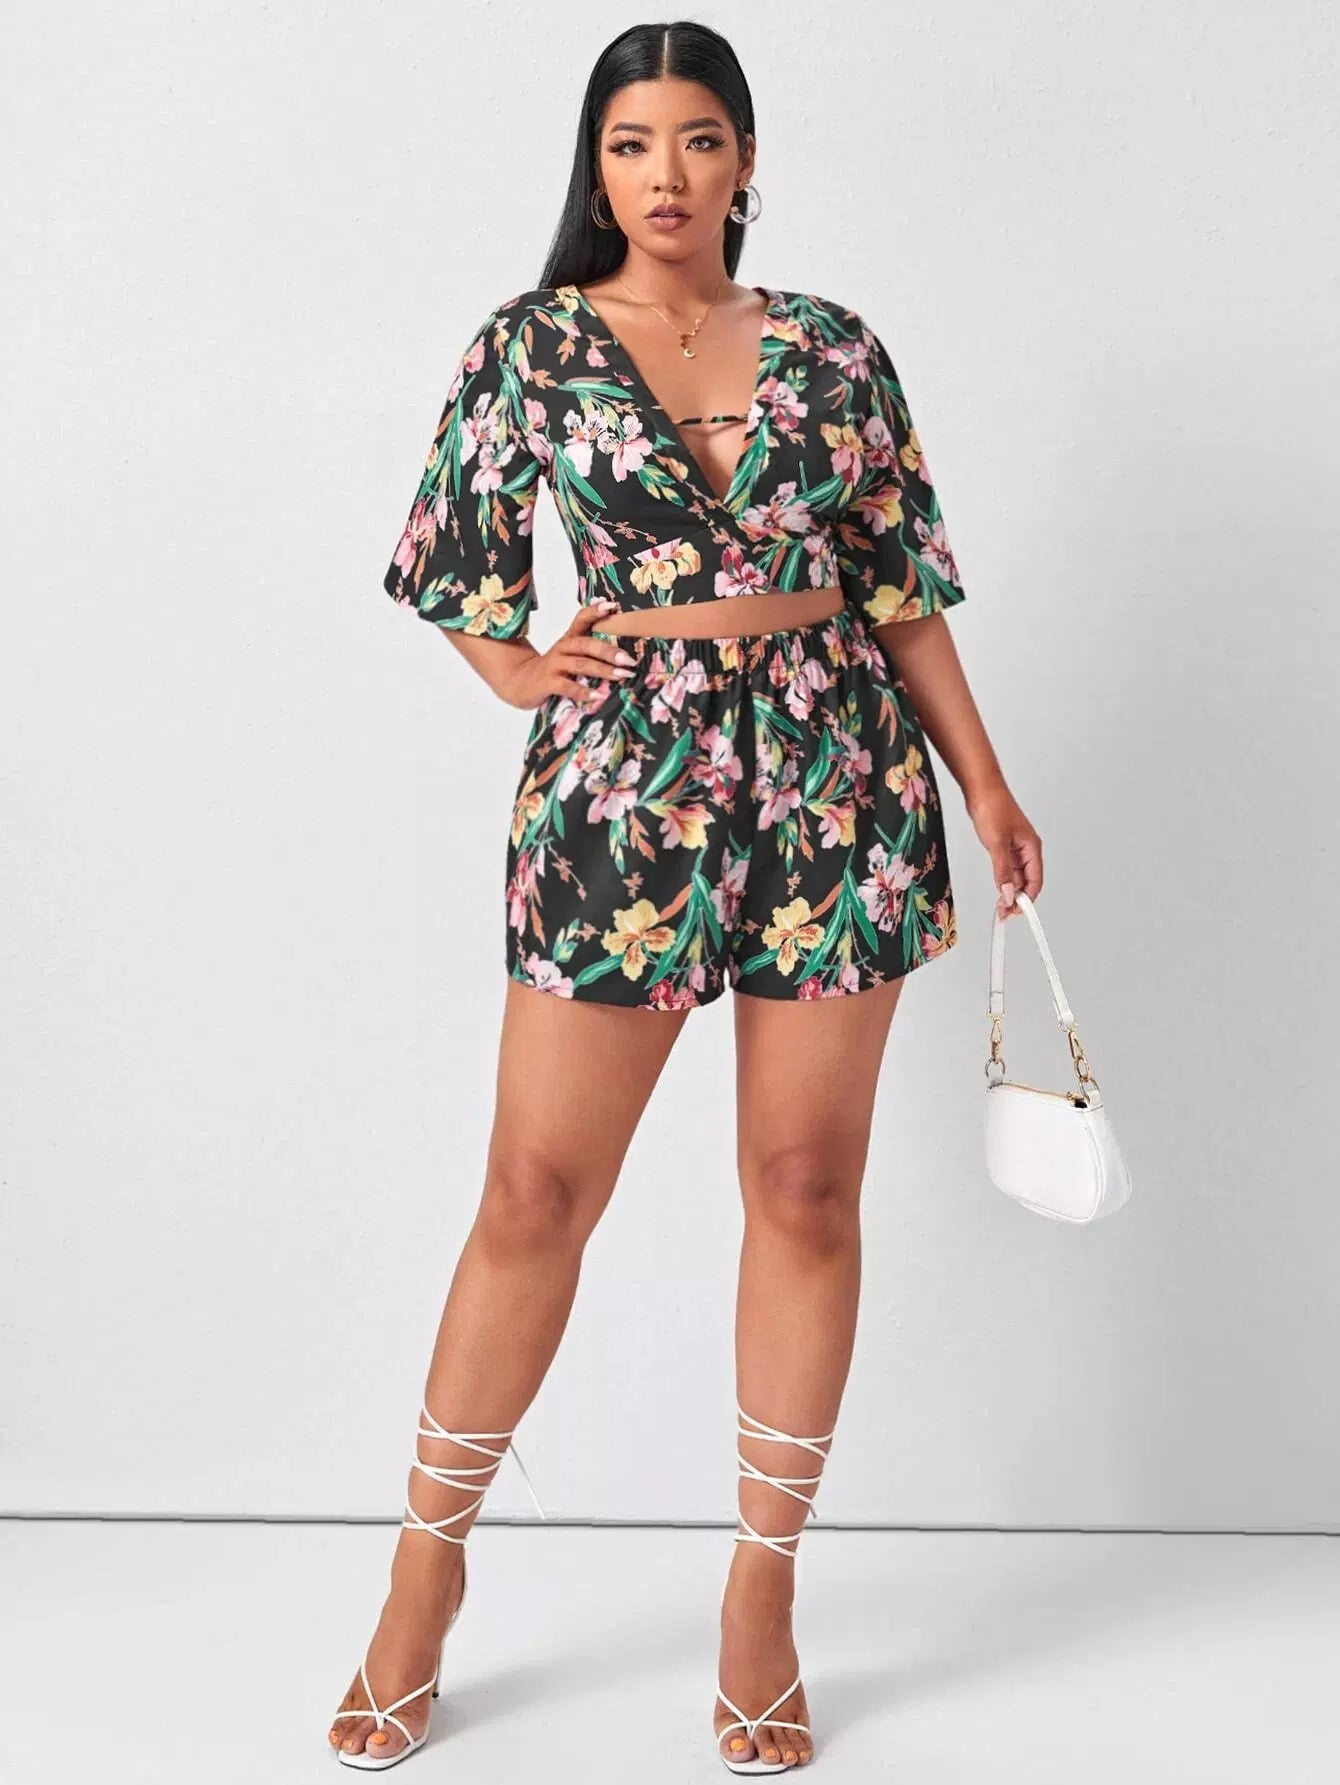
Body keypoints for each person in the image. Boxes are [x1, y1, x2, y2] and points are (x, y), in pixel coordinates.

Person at [330, 17, 1043, 1775]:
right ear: (598, 167)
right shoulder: (530, 347)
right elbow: (453, 562)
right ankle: (423, 1572)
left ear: (746, 161)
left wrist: (985, 781)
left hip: (837, 778)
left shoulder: (835, 349)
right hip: (619, 795)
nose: (667, 174)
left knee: (805, 1187)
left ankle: (761, 1591)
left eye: (700, 138)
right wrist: (519, 669)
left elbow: (899, 586)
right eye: (634, 143)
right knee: (532, 1192)